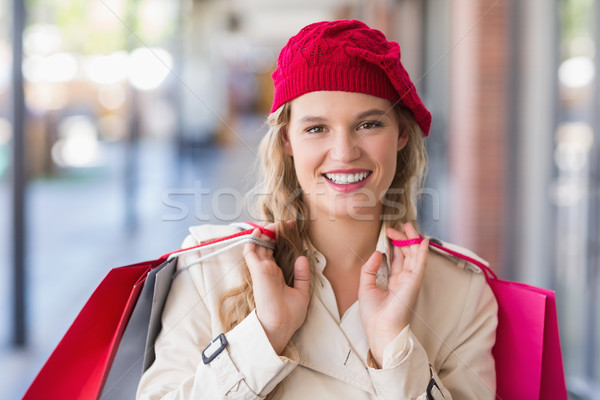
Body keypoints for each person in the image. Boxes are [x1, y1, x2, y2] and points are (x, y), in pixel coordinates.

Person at [137, 19, 497, 399]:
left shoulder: (462, 290)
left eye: (369, 124)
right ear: (287, 139)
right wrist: (265, 335)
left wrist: (395, 350)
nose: (344, 152)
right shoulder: (208, 269)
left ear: (401, 135)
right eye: (316, 129)